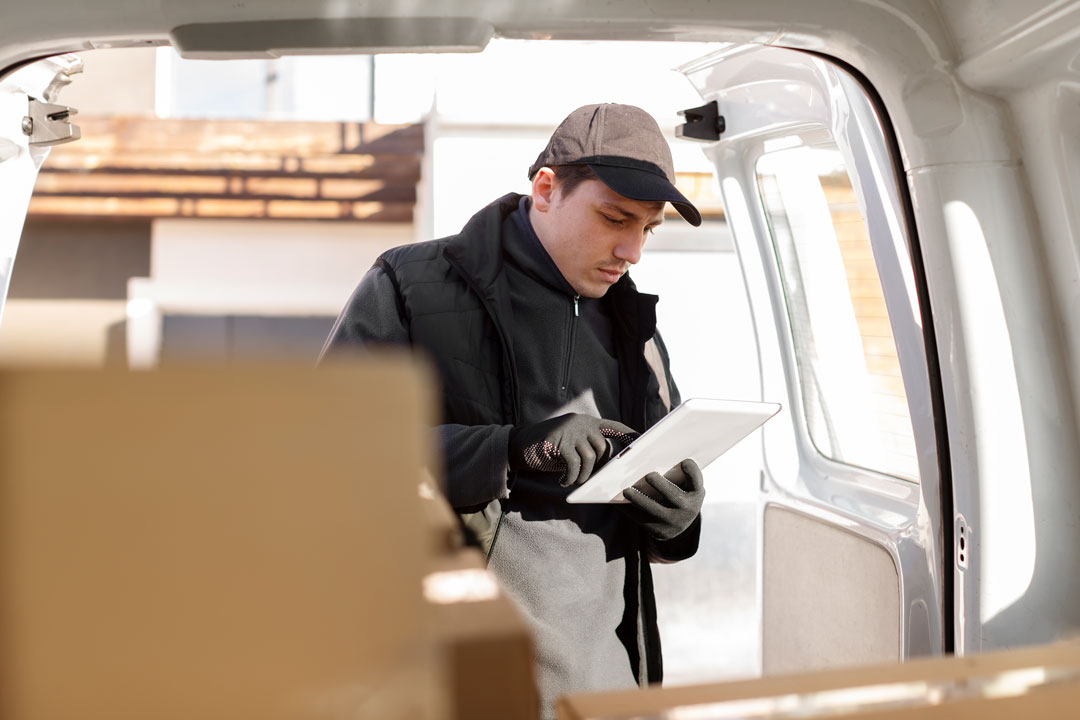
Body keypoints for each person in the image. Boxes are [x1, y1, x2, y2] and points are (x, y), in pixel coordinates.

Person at [321, 103, 706, 718]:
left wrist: (676, 520)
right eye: (615, 218)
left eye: (648, 229)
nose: (632, 250)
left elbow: (655, 504)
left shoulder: (635, 329)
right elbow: (329, 458)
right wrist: (509, 449)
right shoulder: (408, 285)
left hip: (603, 689)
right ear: (547, 189)